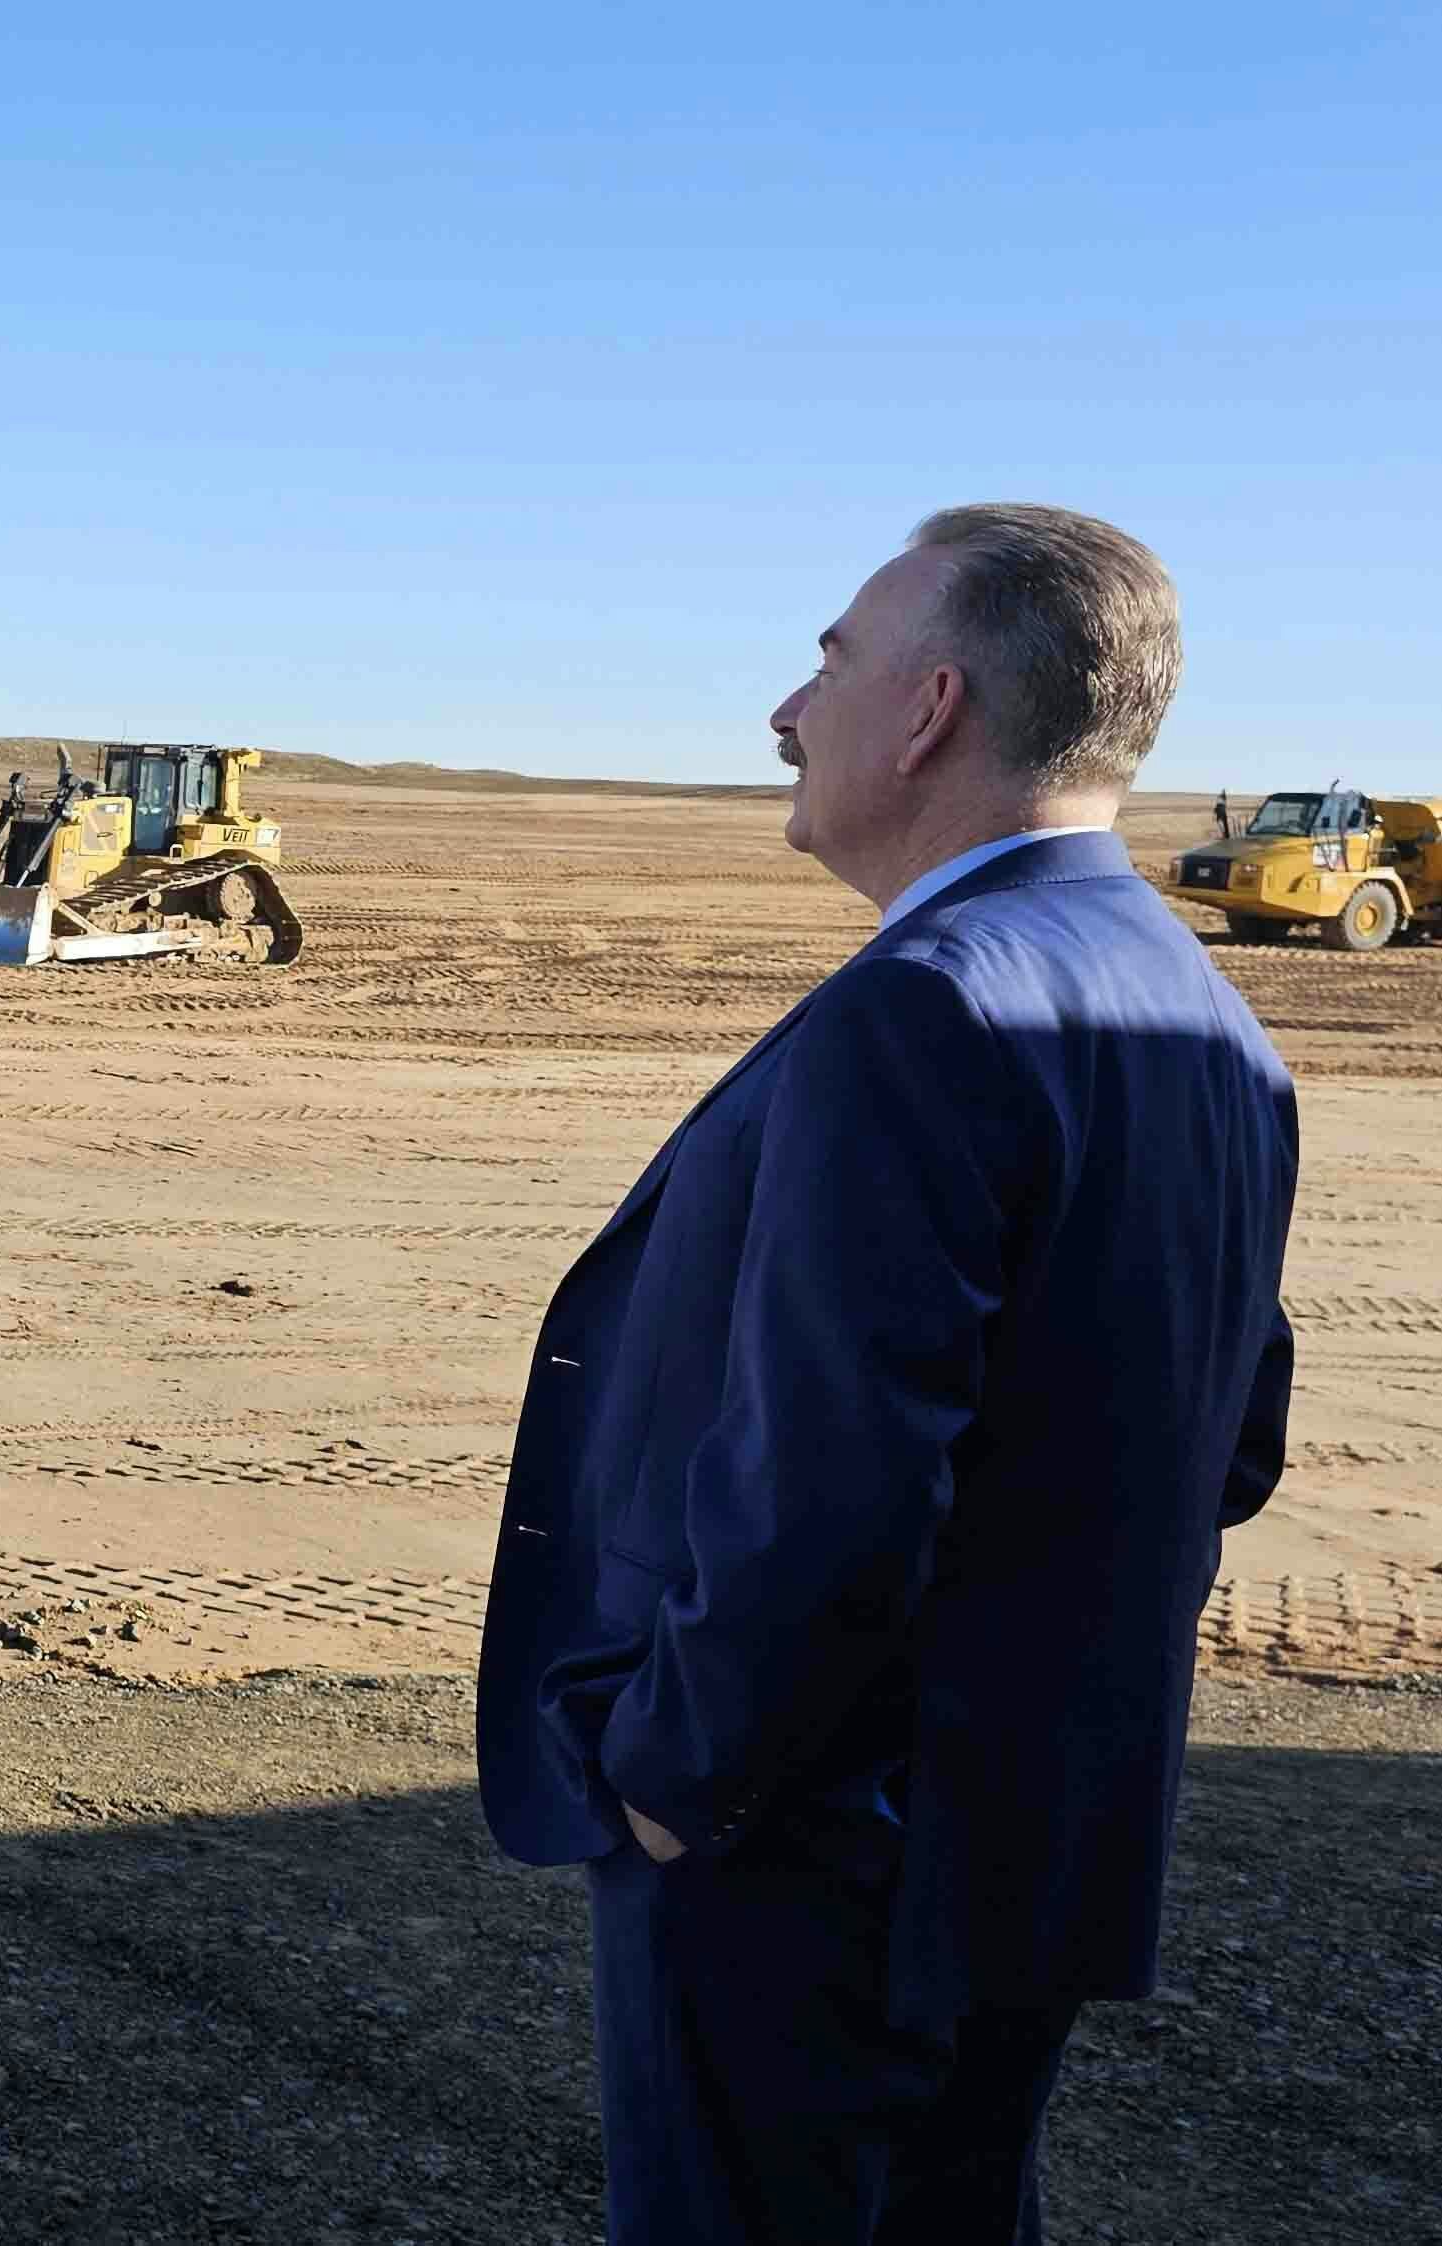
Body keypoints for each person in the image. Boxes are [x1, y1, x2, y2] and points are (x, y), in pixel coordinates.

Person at [475, 504, 1296, 2244]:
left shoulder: (926, 1005)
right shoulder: (1207, 1018)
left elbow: (829, 1482)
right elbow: (1223, 1436)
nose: (787, 705)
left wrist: (676, 1775)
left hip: (815, 1855)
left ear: (926, 709)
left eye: (830, 658)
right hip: (1022, 1837)